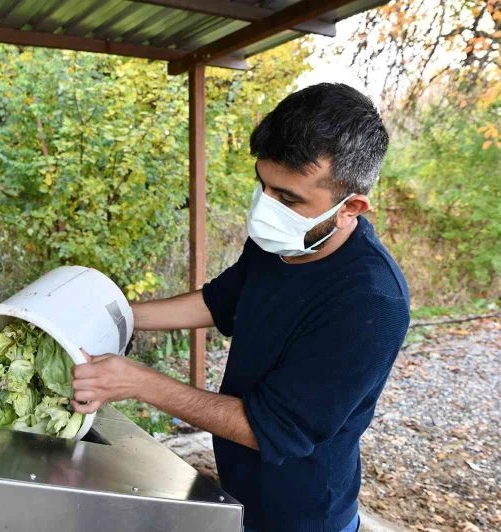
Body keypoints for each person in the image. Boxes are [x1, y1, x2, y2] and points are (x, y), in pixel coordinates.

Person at [71, 83, 410, 532]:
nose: (265, 209)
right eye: (262, 184)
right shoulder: (281, 241)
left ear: (352, 207)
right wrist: (114, 312)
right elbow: (219, 301)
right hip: (239, 490)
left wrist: (138, 382)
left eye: (289, 198)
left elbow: (269, 428)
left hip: (300, 515)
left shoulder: (370, 302)